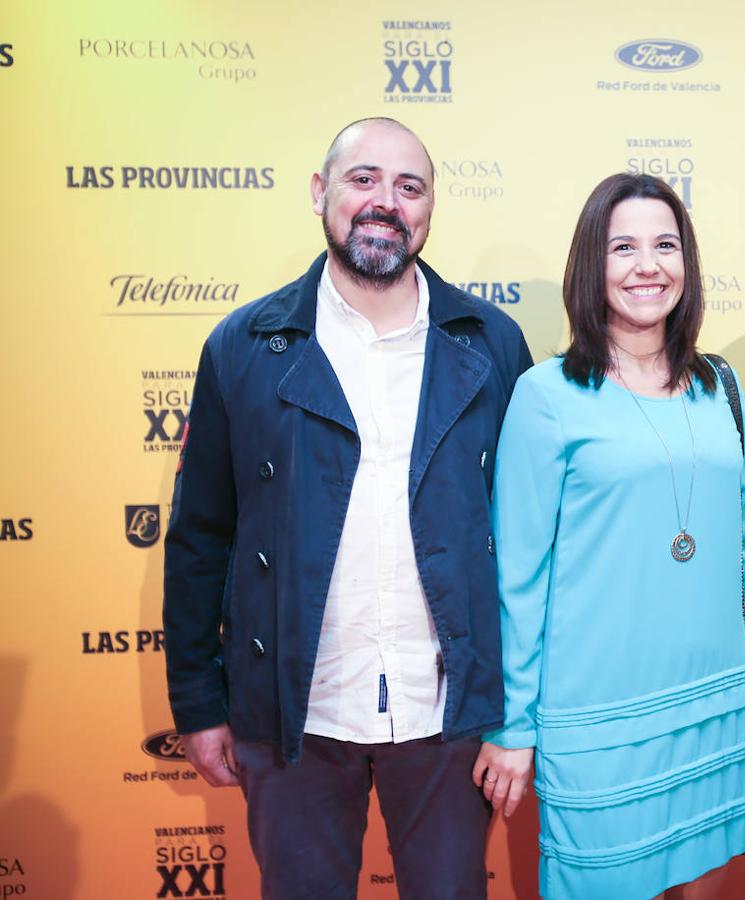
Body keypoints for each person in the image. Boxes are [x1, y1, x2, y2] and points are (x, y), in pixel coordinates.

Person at [162, 117, 532, 899]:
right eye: (363, 179)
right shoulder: (244, 345)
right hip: (296, 714)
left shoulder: (492, 343)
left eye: (409, 186)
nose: (384, 203)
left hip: (449, 718)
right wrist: (198, 703)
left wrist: (520, 715)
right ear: (319, 191)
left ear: (430, 207)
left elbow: (528, 542)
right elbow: (200, 537)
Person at [473, 173, 745, 899]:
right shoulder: (547, 396)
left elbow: (744, 546)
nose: (648, 265)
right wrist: (513, 724)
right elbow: (516, 579)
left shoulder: (719, 385)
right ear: (593, 265)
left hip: (716, 703)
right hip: (598, 722)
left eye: (665, 245)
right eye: (624, 247)